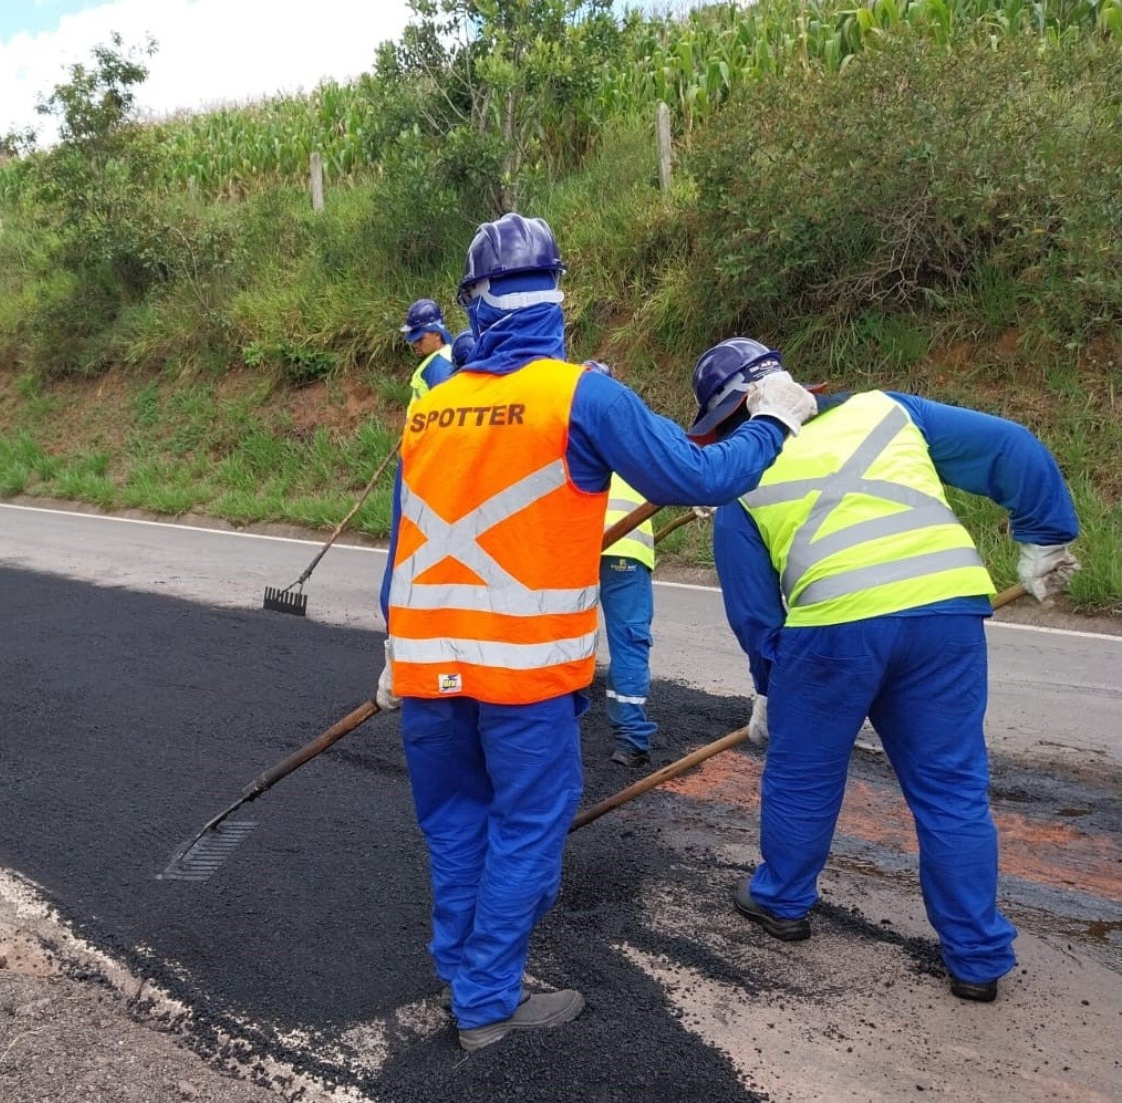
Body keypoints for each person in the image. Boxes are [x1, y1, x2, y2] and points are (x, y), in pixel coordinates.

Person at [372, 214, 817, 1051]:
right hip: (525, 677)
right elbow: (700, 474)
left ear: (474, 302)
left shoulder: (430, 410)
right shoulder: (581, 394)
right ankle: (486, 1001)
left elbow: (404, 540)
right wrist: (773, 421)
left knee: (458, 823)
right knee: (527, 829)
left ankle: (461, 968)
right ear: (557, 297)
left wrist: (391, 645)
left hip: (430, 671)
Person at [693, 337, 1080, 1004]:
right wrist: (1046, 534)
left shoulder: (740, 486)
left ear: (729, 422)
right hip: (945, 612)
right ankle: (978, 956)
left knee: (804, 770)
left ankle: (782, 901)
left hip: (835, 628)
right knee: (951, 786)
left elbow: (758, 618)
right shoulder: (885, 409)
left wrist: (768, 688)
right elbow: (1009, 445)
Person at [581, 364, 661, 768]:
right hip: (625, 552)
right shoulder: (631, 423)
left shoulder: (568, 420)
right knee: (629, 640)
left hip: (574, 547)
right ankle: (631, 740)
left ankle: (559, 720)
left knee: (567, 634)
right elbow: (671, 468)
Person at [400, 298, 456, 403]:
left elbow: (443, 408)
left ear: (437, 335)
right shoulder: (448, 353)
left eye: (420, 339)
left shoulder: (438, 367)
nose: (415, 344)